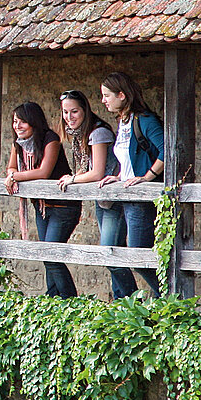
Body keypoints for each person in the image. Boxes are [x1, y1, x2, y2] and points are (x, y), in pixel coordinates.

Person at [54, 89, 136, 300]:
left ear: (85, 111)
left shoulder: (98, 132)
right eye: (65, 112)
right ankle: (122, 301)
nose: (69, 117)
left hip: (114, 199)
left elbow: (97, 172)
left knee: (109, 253)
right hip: (103, 201)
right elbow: (85, 168)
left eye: (74, 112)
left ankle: (131, 301)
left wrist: (72, 179)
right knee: (112, 253)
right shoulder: (78, 135)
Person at [97, 72, 165, 297]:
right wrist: (120, 176)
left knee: (138, 254)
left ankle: (168, 296)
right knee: (114, 251)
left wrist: (147, 176)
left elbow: (168, 151)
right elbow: (128, 158)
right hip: (124, 195)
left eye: (107, 96)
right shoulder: (123, 122)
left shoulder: (145, 120)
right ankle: (144, 301)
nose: (104, 100)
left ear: (122, 95)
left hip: (139, 199)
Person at [5, 101, 81, 298]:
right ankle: (53, 299)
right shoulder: (19, 143)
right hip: (41, 207)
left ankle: (70, 301)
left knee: (51, 256)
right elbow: (11, 167)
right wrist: (12, 174)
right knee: (46, 254)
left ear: (34, 123)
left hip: (63, 206)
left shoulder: (50, 139)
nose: (17, 126)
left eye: (22, 122)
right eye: (15, 122)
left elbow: (44, 171)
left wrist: (14, 177)